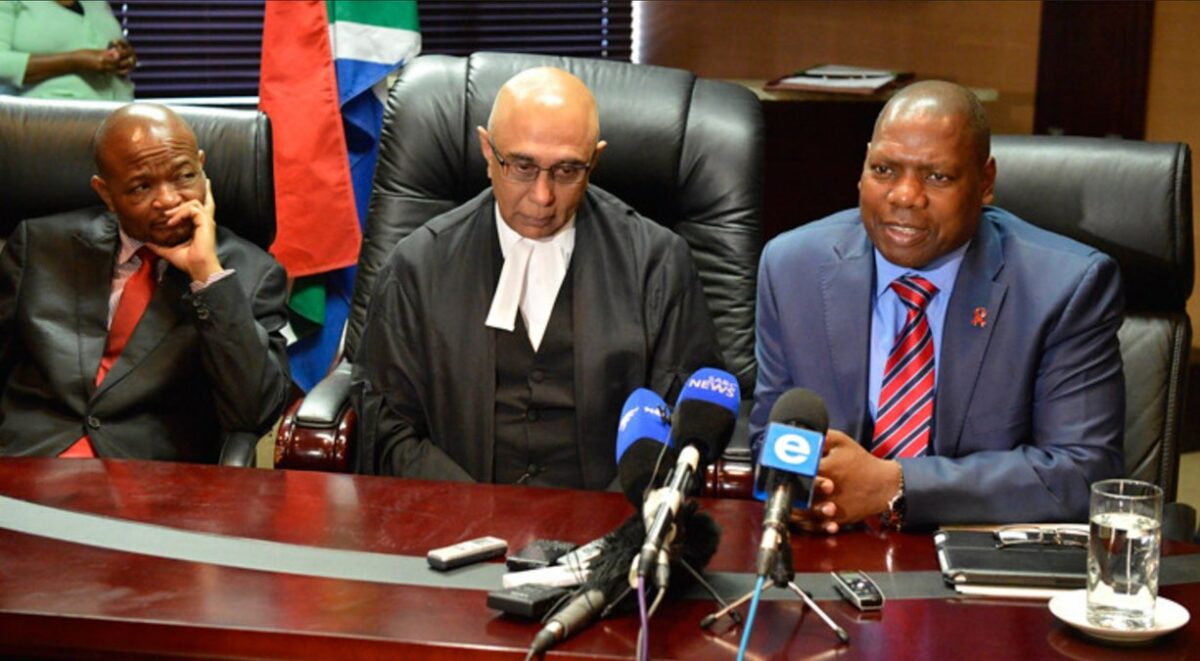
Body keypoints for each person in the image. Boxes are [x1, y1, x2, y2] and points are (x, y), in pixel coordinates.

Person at [751, 80, 1123, 530]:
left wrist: (896, 484)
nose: (905, 196)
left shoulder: (1065, 287)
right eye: (884, 169)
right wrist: (804, 491)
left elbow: (1082, 473)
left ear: (985, 183)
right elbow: (772, 437)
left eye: (937, 176)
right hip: (833, 555)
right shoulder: (794, 268)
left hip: (979, 565)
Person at [351, 67, 721, 490]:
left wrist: (611, 527)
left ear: (594, 160)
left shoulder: (657, 263)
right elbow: (387, 430)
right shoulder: (417, 267)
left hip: (611, 530)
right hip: (454, 529)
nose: (543, 197)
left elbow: (686, 420)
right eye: (522, 167)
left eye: (567, 171)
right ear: (487, 151)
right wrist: (473, 514)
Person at [0, 103, 291, 461]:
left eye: (185, 176)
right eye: (141, 187)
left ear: (202, 166)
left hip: (146, 480)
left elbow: (254, 413)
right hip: (26, 463)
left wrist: (207, 275)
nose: (169, 200)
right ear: (106, 194)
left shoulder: (250, 275)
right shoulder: (39, 246)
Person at [0, 0, 135, 100]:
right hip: (50, 125)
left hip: (117, 120)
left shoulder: (97, 3)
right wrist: (75, 62)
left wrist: (123, 57)